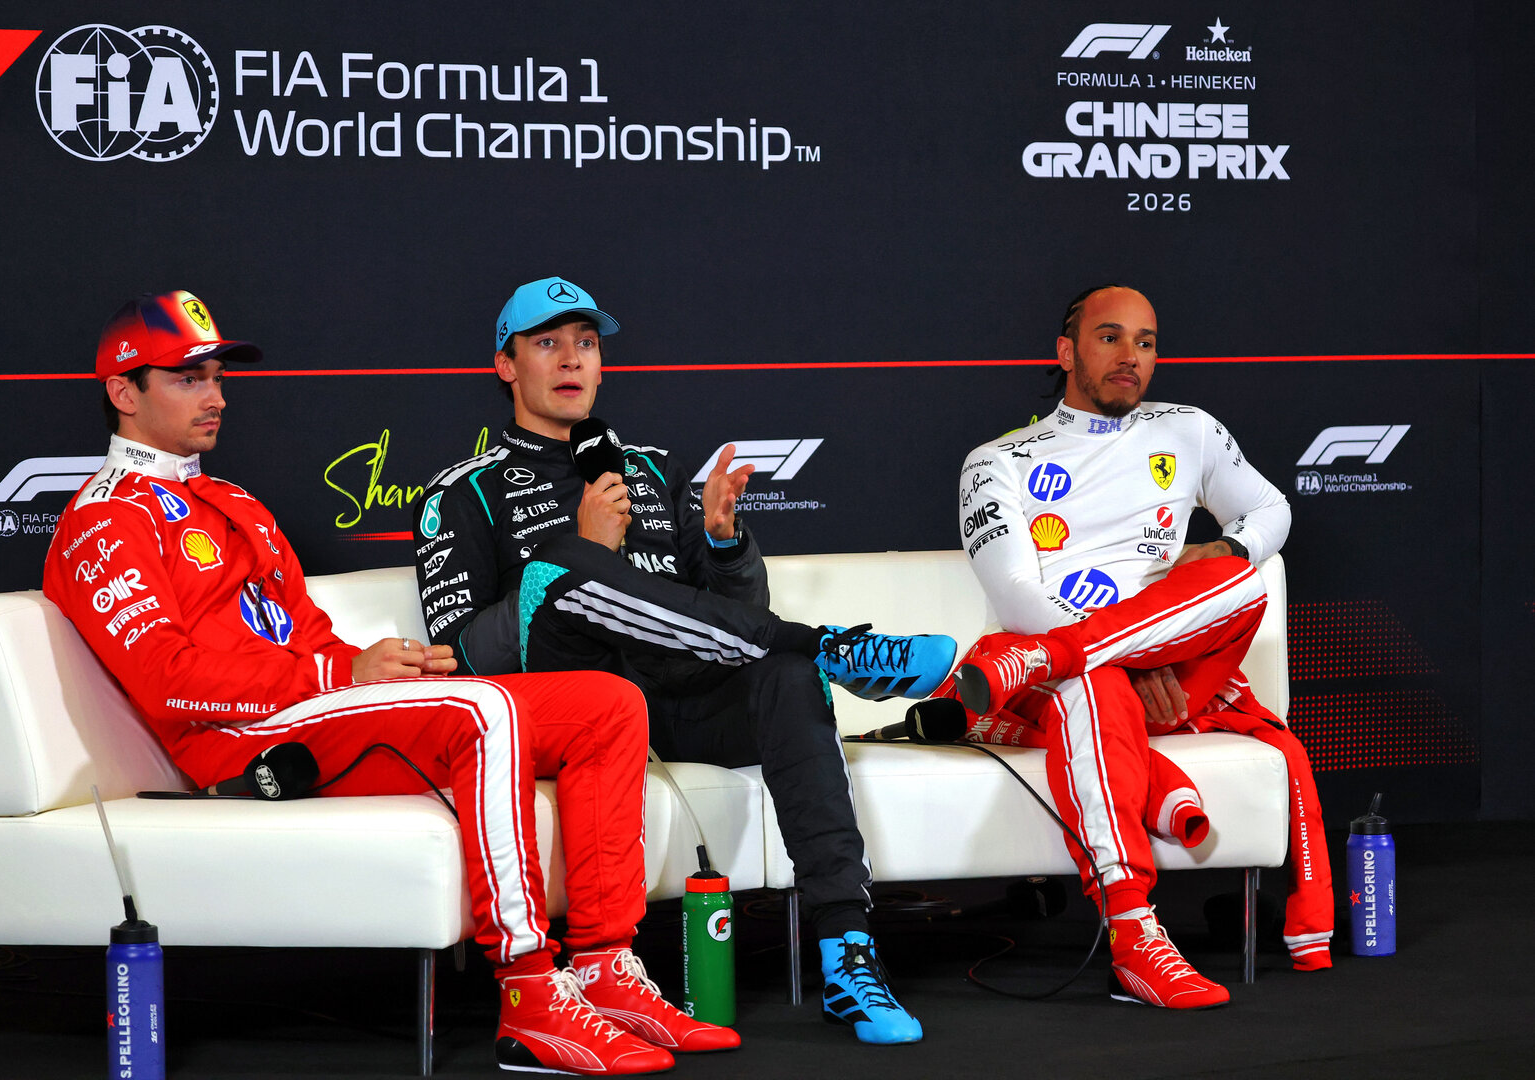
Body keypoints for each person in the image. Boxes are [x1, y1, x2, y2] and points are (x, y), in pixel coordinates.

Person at [44, 290, 740, 1075]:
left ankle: (606, 968)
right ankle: (529, 996)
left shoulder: (231, 502)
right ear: (122, 391)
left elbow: (301, 634)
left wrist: (378, 665)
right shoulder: (104, 519)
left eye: (216, 375)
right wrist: (340, 671)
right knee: (480, 712)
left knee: (607, 706)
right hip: (231, 744)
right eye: (188, 378)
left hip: (308, 712)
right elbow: (166, 680)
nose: (216, 394)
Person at [412, 276, 958, 1045]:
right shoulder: (464, 493)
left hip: (683, 695)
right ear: (506, 366)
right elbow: (462, 657)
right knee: (563, 576)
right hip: (579, 711)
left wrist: (729, 545)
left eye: (586, 343)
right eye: (547, 343)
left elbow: (744, 612)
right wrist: (581, 553)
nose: (571, 359)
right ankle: (834, 645)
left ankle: (847, 955)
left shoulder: (653, 471)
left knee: (785, 674)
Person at [941, 284, 1334, 1008]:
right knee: (1084, 684)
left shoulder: (1188, 429)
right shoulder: (995, 461)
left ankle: (1073, 661)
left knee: (1241, 579)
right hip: (1061, 678)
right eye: (1111, 338)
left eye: (1147, 342)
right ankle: (1132, 934)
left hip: (1172, 671)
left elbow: (1271, 510)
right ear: (1066, 352)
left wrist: (1225, 544)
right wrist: (1123, 663)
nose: (1132, 357)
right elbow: (1021, 602)